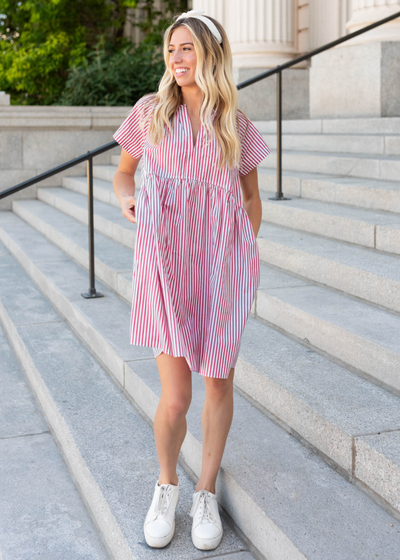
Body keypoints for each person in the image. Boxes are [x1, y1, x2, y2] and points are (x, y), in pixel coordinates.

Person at [112, 8, 270, 552]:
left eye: (187, 48)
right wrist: (128, 199)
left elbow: (251, 199)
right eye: (171, 49)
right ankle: (167, 484)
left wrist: (238, 252)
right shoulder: (151, 112)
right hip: (166, 267)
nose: (176, 59)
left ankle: (205, 490)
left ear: (210, 54)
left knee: (219, 381)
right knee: (175, 397)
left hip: (220, 270)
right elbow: (123, 171)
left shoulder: (236, 123)